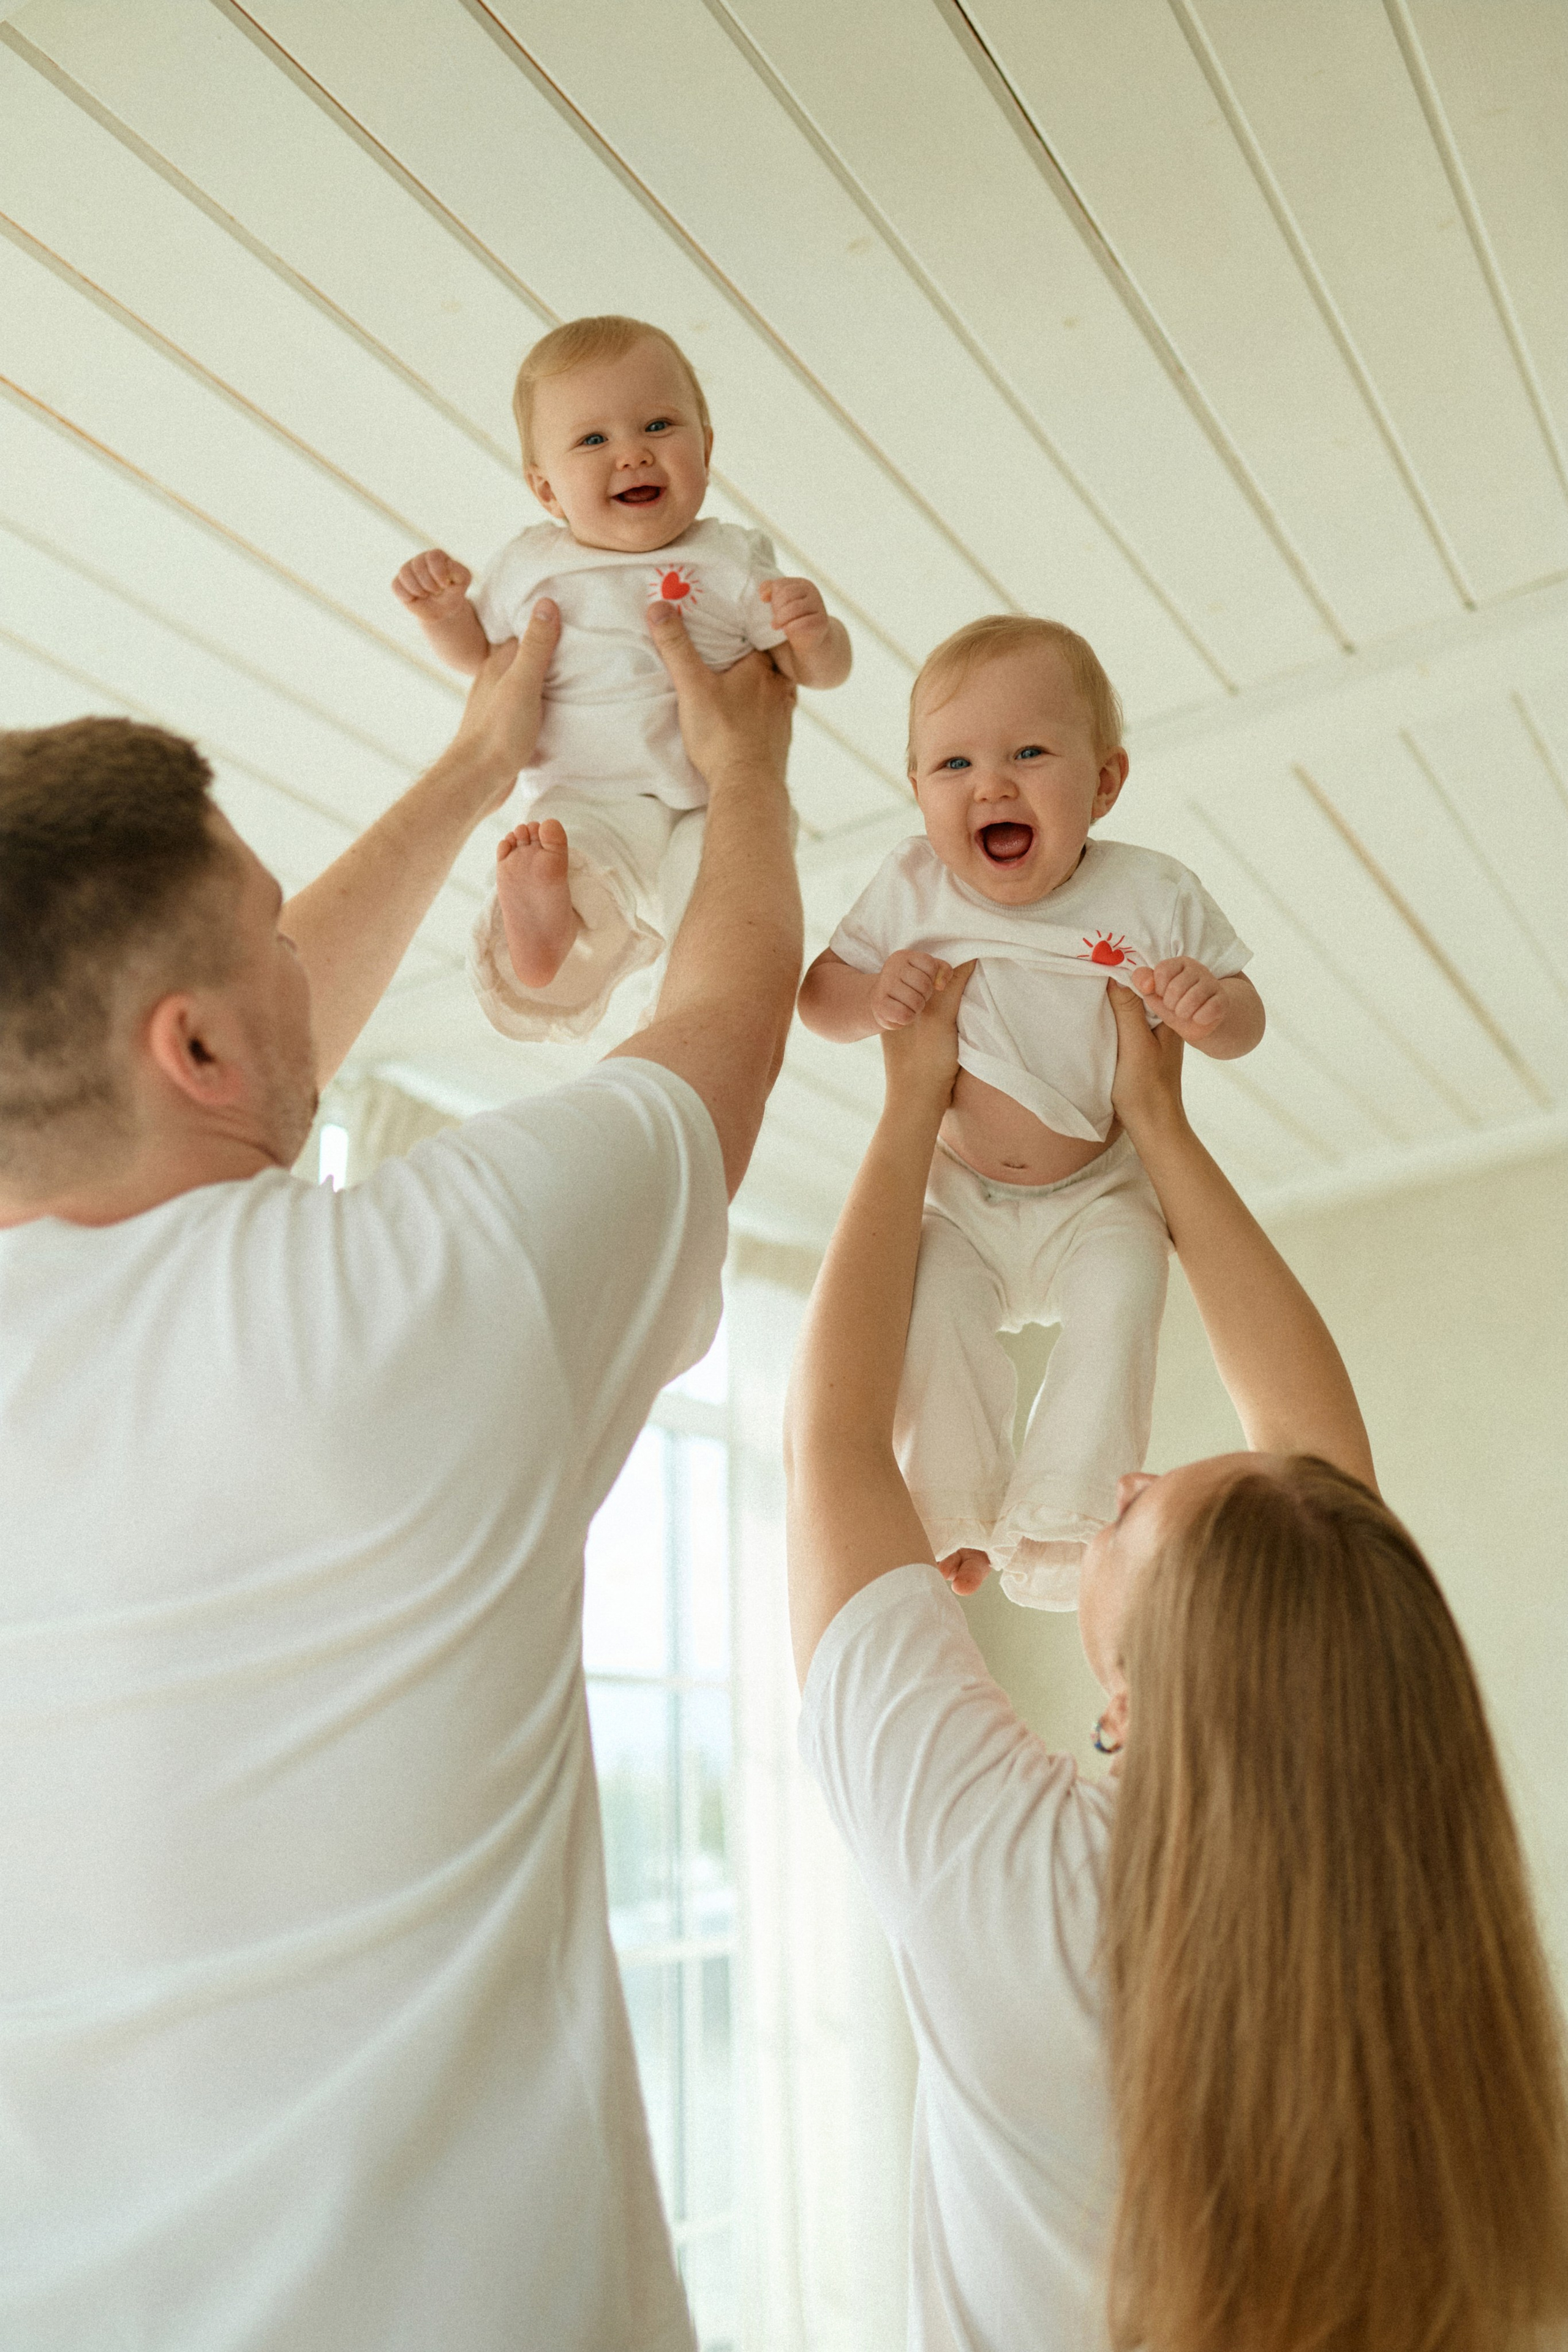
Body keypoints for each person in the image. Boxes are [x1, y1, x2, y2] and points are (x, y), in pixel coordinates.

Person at [0, 601, 800, 2351]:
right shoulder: (407, 1309)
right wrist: (750, 768)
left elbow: (215, 1070)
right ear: (196, 1048)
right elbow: (731, 1015)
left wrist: (471, 772)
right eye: (267, 940)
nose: (310, 967)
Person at [784, 967, 1568, 2352]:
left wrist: (907, 1109)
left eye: (1138, 1503)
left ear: (1143, 1688)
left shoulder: (1005, 1877)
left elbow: (834, 1448)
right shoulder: (1401, 1914)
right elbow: (1316, 1489)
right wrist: (1153, 1120)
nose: (1126, 1473)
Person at [799, 614, 1264, 1611]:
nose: (992, 785)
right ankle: (952, 1516)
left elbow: (1243, 1018)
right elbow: (819, 994)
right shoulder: (910, 887)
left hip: (1099, 1190)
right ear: (919, 791)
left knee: (1126, 1295)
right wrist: (870, 998)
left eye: (1029, 754)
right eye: (953, 763)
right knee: (933, 1318)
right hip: (960, 1197)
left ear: (1103, 783)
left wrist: (1208, 1009)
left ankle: (1066, 1515)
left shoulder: (1150, 892)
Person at [393, 311, 850, 1042]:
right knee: (569, 857)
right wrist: (442, 614)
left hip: (710, 805)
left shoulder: (728, 560)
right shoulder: (532, 562)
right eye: (594, 440)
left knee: (718, 898)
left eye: (660, 426)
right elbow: (482, 657)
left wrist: (815, 633)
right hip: (586, 792)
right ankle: (544, 919)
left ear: (707, 445)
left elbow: (810, 674)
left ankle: (678, 1008)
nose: (633, 454)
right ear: (546, 491)